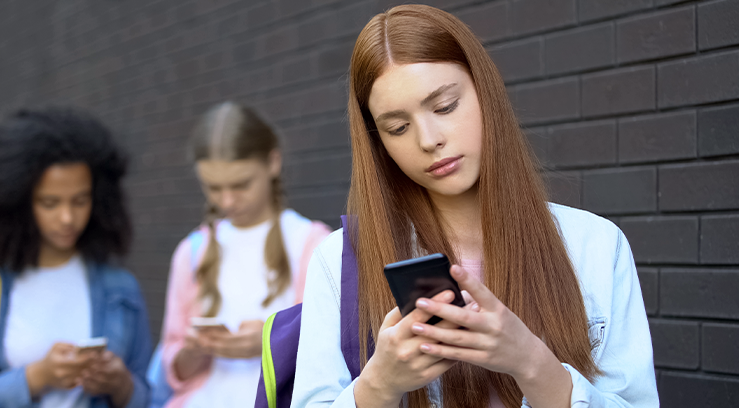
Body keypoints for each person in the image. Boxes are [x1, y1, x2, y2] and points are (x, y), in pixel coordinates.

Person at [291, 5, 658, 408]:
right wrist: (378, 387)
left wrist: (532, 363)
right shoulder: (340, 261)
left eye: (445, 106)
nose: (429, 139)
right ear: (378, 141)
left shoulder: (595, 245)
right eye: (398, 127)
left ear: (485, 91)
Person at [0, 107, 152, 408]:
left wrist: (121, 385)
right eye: (50, 203)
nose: (68, 218)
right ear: (17, 202)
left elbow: (149, 398)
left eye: (81, 200)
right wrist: (36, 377)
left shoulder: (121, 290)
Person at [160, 101, 331, 407]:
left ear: (273, 162)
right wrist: (193, 351)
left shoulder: (313, 243)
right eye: (213, 188)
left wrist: (271, 342)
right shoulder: (191, 252)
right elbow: (174, 368)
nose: (226, 200)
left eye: (241, 185)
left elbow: (331, 348)